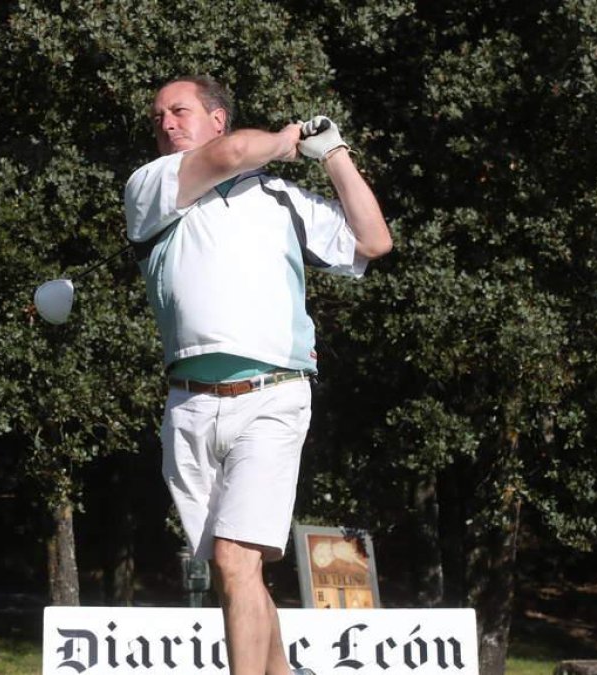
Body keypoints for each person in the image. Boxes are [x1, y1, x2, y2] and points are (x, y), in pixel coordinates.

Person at [123, 75, 392, 675]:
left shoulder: (282, 200)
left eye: (180, 111)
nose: (167, 123)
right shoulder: (153, 184)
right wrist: (289, 137)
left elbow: (373, 240)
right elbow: (235, 154)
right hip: (188, 407)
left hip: (273, 395)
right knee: (233, 570)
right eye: (159, 115)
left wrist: (336, 154)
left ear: (216, 117)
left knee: (236, 562)